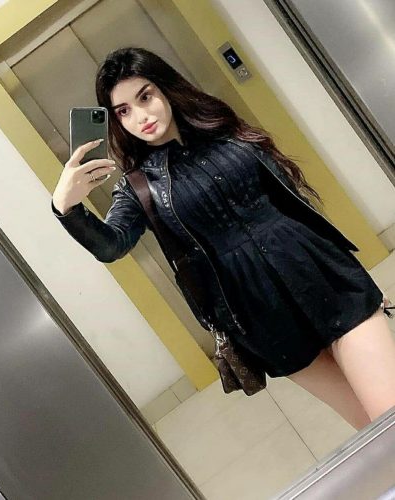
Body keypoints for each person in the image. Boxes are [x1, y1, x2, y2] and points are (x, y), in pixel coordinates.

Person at [51, 47, 395, 430]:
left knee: (388, 411)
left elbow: (291, 201)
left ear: (165, 88)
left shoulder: (224, 130)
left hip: (322, 275)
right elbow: (111, 244)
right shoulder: (139, 186)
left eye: (145, 97)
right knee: (373, 430)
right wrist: (67, 207)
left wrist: (347, 267)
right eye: (124, 111)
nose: (141, 116)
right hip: (261, 316)